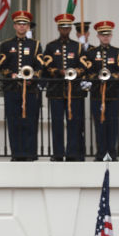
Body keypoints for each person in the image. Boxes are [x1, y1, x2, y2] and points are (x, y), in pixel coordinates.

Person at [0, 10, 44, 161]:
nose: (22, 27)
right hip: (12, 89)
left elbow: (40, 66)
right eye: (19, 24)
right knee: (14, 122)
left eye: (25, 24)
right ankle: (17, 153)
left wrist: (33, 77)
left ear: (28, 26)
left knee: (30, 121)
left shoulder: (35, 45)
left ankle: (30, 153)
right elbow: (2, 65)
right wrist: (10, 74)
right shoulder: (6, 45)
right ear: (14, 26)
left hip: (30, 90)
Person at [82, 20, 119, 161]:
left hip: (113, 95)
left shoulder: (118, 52)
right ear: (98, 36)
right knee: (99, 125)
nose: (105, 37)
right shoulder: (91, 53)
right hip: (97, 94)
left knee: (113, 124)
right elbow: (87, 71)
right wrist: (98, 77)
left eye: (108, 34)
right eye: (103, 35)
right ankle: (101, 153)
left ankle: (112, 153)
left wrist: (111, 77)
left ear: (111, 35)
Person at [43, 13, 86, 161]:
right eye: (62, 27)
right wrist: (58, 72)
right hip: (56, 91)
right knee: (57, 124)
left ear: (70, 29)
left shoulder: (78, 47)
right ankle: (58, 153)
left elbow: (84, 65)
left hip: (74, 91)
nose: (65, 30)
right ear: (58, 28)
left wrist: (74, 72)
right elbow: (46, 65)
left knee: (74, 123)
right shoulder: (50, 46)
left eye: (67, 27)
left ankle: (72, 153)